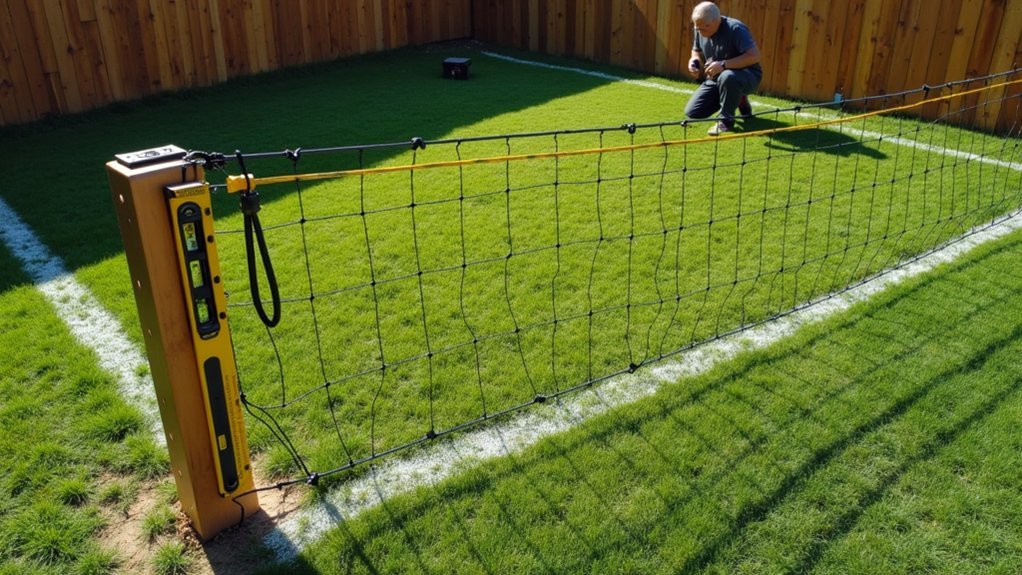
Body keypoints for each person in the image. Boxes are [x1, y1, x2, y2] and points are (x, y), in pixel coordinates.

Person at [684, 2, 762, 136]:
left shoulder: (735, 28)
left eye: (704, 28)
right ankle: (739, 99)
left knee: (728, 76)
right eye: (697, 28)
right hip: (716, 78)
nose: (700, 32)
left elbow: (754, 56)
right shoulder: (700, 28)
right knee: (693, 112)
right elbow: (695, 51)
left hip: (747, 76)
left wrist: (723, 65)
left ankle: (725, 121)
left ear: (716, 21)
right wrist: (694, 61)